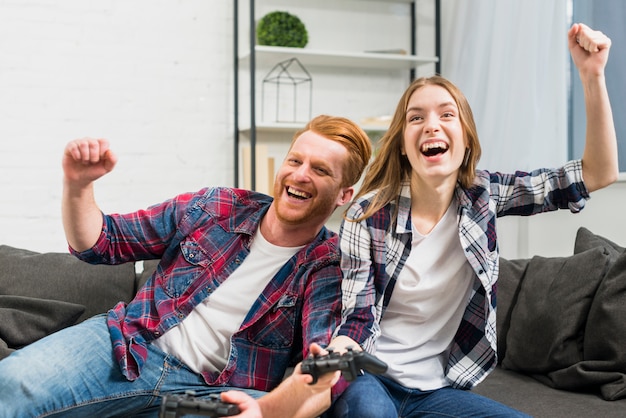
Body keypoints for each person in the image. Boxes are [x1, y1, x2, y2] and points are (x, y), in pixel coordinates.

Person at [324, 23, 617, 418]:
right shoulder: (368, 215)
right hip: (370, 379)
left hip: (436, 390)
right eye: (416, 118)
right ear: (404, 147)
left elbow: (597, 174)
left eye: (447, 115)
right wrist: (340, 350)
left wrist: (592, 75)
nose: (431, 124)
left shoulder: (484, 196)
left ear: (465, 142)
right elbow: (357, 315)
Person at [0, 114, 372, 418]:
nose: (301, 174)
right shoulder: (215, 207)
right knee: (13, 385)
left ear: (344, 195)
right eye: (295, 160)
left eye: (321, 170)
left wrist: (281, 402)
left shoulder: (329, 265)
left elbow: (322, 362)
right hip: (129, 346)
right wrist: (78, 185)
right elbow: (102, 242)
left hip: (213, 393)